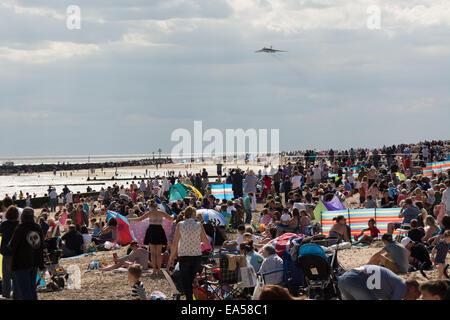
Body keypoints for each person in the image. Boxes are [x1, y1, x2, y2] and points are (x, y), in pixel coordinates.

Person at [167, 206, 210, 301]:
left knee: (186, 281)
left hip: (184, 256)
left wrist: (171, 258)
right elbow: (206, 242)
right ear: (194, 215)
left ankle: (189, 298)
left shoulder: (180, 225)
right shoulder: (199, 225)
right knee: (192, 279)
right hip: (196, 256)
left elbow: (175, 243)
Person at [7, 207, 44, 300]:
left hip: (21, 263)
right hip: (34, 261)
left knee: (25, 291)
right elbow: (41, 245)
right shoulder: (38, 227)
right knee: (32, 289)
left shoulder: (20, 228)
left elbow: (12, 245)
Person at [128, 200, 173, 275]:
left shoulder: (149, 213)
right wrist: (173, 216)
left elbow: (139, 219)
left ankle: (154, 270)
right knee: (159, 253)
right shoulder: (161, 213)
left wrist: (130, 219)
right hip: (159, 231)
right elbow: (170, 218)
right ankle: (159, 270)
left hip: (151, 231)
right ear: (156, 206)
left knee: (152, 253)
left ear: (150, 207)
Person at [338, 265, 420, 300]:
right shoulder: (402, 286)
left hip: (344, 279)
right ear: (412, 289)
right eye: (415, 297)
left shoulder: (394, 283)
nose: (414, 299)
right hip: (357, 279)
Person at [0, 206, 20, 299]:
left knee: (6, 277)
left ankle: (6, 295)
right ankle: (16, 296)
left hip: (7, 253)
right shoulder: (19, 225)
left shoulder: (4, 224)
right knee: (16, 277)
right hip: (17, 253)